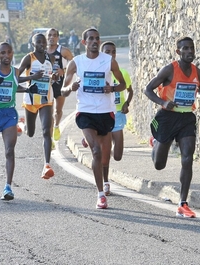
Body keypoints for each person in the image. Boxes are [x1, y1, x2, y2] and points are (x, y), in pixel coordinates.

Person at [144, 36, 200, 218]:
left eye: (192, 48)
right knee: (159, 164)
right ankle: (156, 141)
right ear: (178, 51)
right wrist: (163, 102)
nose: (189, 51)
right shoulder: (169, 70)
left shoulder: (199, 73)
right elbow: (148, 89)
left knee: (187, 158)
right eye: (185, 48)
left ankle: (183, 203)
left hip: (186, 118)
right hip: (167, 117)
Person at [61, 28, 126, 209]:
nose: (94, 41)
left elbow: (122, 84)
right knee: (96, 151)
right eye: (90, 39)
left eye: (97, 38)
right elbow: (62, 90)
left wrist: (112, 89)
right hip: (86, 112)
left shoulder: (108, 61)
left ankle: (104, 181)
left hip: (106, 112)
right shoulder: (76, 62)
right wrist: (71, 88)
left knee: (105, 157)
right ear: (84, 42)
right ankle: (100, 195)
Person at [18, 33, 58, 180]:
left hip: (46, 99)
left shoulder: (50, 58)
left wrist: (54, 77)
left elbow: (50, 77)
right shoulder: (28, 58)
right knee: (30, 133)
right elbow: (16, 77)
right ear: (33, 44)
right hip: (30, 99)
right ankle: (22, 125)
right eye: (39, 42)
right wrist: (31, 78)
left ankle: (47, 165)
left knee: (47, 131)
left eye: (44, 42)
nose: (42, 44)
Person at [98, 41, 133, 195]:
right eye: (107, 51)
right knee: (105, 155)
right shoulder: (98, 72)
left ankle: (102, 150)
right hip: (104, 115)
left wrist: (126, 103)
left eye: (113, 51)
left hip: (118, 116)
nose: (111, 54)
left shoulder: (122, 72)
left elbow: (130, 90)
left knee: (117, 156)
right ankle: (106, 182)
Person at [0, 42, 26, 200]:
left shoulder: (16, 71)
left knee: (9, 150)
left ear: (13, 53)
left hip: (9, 115)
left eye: (9, 52)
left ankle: (8, 187)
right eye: (3, 53)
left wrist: (27, 89)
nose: (6, 56)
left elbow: (15, 86)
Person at [46, 28, 74, 141]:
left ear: (57, 37)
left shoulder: (63, 51)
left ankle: (57, 126)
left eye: (54, 35)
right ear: (46, 37)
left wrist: (64, 70)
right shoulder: (42, 51)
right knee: (49, 111)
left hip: (60, 84)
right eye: (49, 35)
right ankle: (50, 137)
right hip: (47, 85)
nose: (51, 37)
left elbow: (74, 64)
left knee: (58, 110)